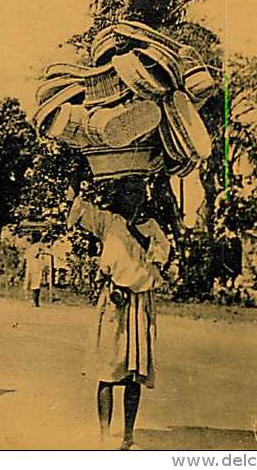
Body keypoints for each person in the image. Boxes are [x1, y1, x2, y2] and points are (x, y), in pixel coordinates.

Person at [67, 193, 170, 450]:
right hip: (115, 300)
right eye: (127, 191)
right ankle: (103, 435)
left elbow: (162, 252)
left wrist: (150, 251)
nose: (132, 199)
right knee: (108, 369)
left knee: (135, 373)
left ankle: (127, 437)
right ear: (119, 196)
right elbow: (79, 212)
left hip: (140, 303)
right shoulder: (108, 222)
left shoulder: (151, 226)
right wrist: (75, 185)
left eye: (137, 192)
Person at [24, 231, 44, 308]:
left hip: (36, 266)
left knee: (36, 283)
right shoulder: (30, 246)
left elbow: (40, 254)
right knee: (28, 282)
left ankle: (36, 301)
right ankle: (30, 300)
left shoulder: (39, 246)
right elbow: (26, 257)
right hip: (30, 265)